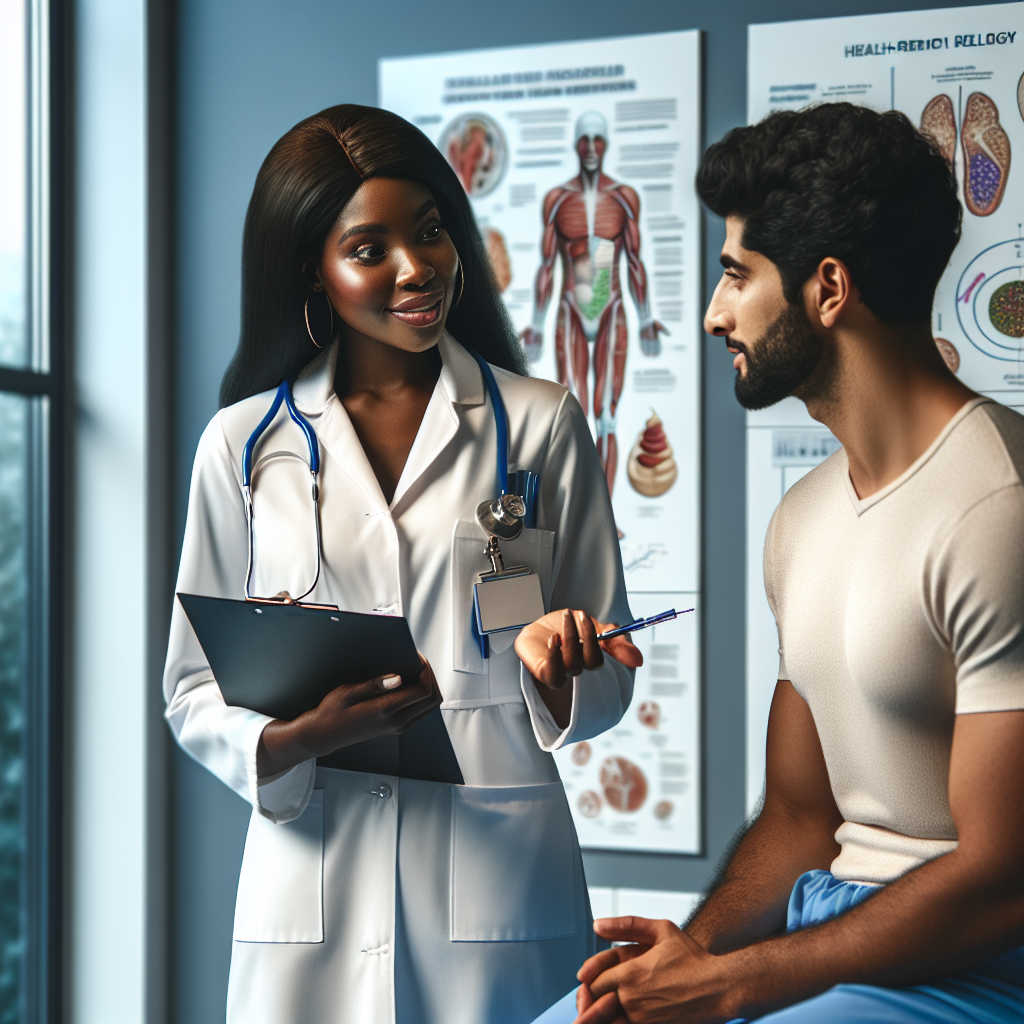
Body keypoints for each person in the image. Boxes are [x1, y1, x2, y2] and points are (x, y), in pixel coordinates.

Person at [162, 104, 642, 1024]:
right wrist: (299, 740)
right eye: (369, 248)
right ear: (313, 267)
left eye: (428, 234)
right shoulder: (243, 444)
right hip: (310, 891)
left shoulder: (538, 427)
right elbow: (191, 689)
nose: (417, 269)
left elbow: (609, 669)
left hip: (497, 895)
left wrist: (562, 671)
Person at [565, 103, 1024, 1022]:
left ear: (827, 289)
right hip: (827, 942)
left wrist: (736, 982)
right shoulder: (802, 520)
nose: (711, 314)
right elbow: (801, 819)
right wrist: (686, 962)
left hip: (972, 969)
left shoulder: (999, 508)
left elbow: (1002, 873)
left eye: (737, 274)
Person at [519, 111, 667, 496]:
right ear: (575, 145)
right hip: (571, 306)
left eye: (597, 140)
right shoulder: (557, 200)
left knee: (607, 418)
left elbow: (634, 260)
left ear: (605, 145)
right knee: (572, 412)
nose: (590, 148)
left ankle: (605, 514)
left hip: (609, 308)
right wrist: (535, 323)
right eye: (584, 140)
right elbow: (547, 264)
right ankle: (578, 515)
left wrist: (647, 317)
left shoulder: (622, 198)